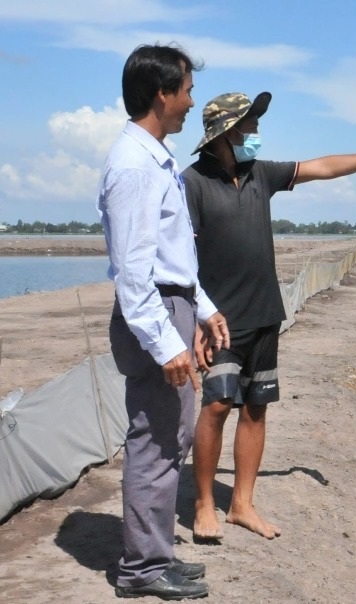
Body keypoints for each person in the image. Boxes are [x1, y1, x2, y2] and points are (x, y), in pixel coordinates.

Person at [183, 91, 356, 542]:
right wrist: (197, 318)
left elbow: (324, 167)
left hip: (263, 314)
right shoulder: (193, 183)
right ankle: (204, 504)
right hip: (219, 320)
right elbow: (180, 256)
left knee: (255, 409)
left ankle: (241, 504)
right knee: (217, 406)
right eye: (249, 126)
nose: (255, 133)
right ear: (225, 133)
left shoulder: (261, 175)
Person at [97, 44, 230, 600]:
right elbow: (133, 271)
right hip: (151, 311)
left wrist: (202, 308)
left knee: (170, 432)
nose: (190, 101)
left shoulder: (154, 157)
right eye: (187, 90)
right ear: (161, 93)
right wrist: (163, 342)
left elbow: (172, 256)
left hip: (169, 304)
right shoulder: (133, 165)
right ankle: (142, 568)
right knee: (155, 438)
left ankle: (154, 554)